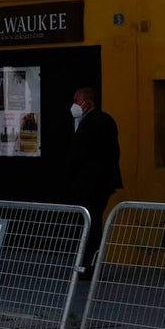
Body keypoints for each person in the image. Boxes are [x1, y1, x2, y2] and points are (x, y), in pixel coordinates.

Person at [67, 86, 123, 279]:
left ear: (87, 102)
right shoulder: (107, 120)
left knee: (89, 225)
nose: (74, 104)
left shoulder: (89, 123)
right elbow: (115, 152)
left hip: (88, 184)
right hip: (104, 183)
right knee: (94, 222)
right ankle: (91, 265)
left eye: (76, 100)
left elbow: (78, 154)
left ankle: (87, 267)